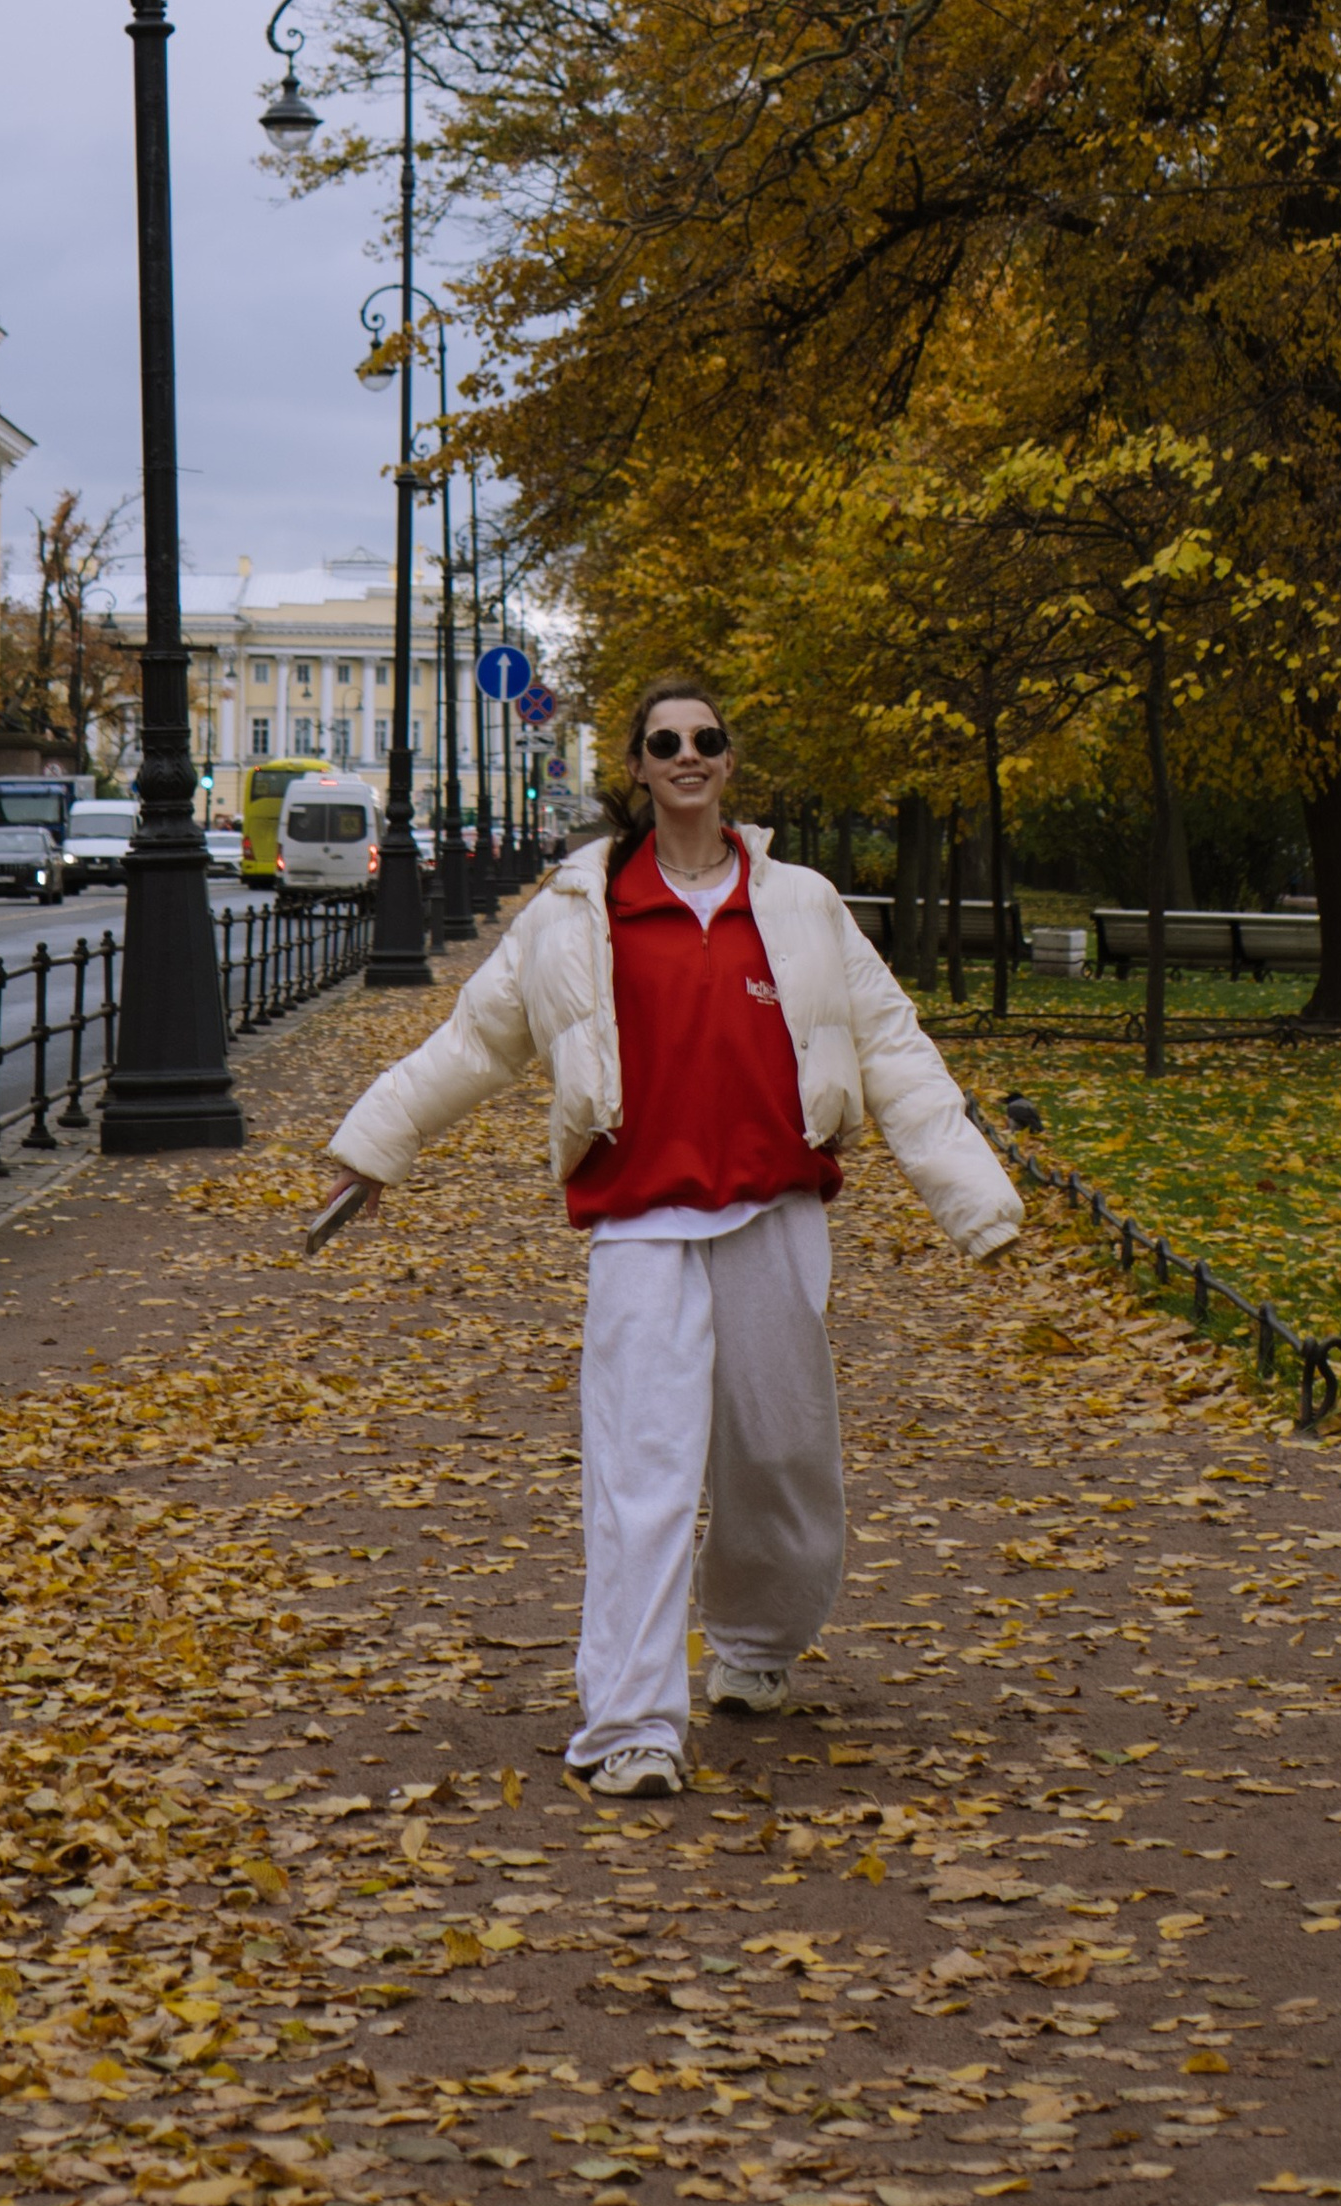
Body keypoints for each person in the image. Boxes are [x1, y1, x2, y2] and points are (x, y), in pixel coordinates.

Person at [319, 676, 1022, 1799]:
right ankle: (634, 1720)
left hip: (775, 1210)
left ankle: (754, 1645)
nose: (686, 757)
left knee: (780, 1460)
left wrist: (975, 1203)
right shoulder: (572, 912)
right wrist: (373, 1146)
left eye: (705, 740)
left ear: (728, 763)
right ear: (637, 770)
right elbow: (475, 1042)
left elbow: (893, 1049)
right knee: (640, 1472)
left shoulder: (799, 902)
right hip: (639, 1222)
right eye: (664, 743)